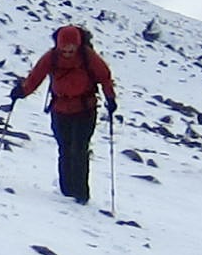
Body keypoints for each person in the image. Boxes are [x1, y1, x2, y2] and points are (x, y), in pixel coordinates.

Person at [9, 22, 120, 204]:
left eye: (71, 48)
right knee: (65, 149)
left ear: (78, 44)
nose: (68, 52)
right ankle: (67, 191)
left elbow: (104, 77)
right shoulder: (51, 58)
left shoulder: (88, 56)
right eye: (64, 49)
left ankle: (81, 194)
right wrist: (21, 92)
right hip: (60, 109)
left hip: (85, 109)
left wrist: (111, 98)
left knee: (79, 149)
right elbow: (35, 77)